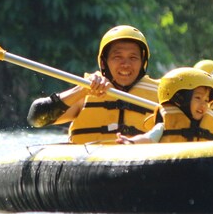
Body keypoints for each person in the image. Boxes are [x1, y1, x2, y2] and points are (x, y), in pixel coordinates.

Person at [27, 25, 159, 143]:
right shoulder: (84, 93)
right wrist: (83, 90)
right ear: (103, 63)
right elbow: (36, 118)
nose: (126, 65)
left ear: (143, 63)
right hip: (89, 164)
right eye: (117, 57)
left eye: (133, 58)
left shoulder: (161, 96)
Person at [117, 67, 213, 143]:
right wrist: (131, 142)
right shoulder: (165, 125)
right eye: (197, 98)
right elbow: (148, 138)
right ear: (179, 99)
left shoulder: (208, 126)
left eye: (206, 100)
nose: (203, 105)